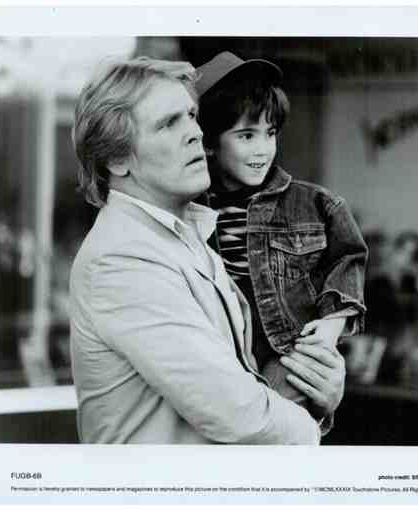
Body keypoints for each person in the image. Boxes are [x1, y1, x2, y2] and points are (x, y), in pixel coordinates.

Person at [69, 56, 345, 444]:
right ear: (116, 158)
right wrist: (309, 428)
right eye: (169, 123)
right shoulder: (122, 258)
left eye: (191, 116)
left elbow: (245, 392)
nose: (196, 133)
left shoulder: (185, 238)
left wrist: (316, 390)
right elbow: (238, 414)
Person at [195, 52, 368, 407]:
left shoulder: (316, 204)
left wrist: (332, 324)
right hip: (219, 363)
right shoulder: (190, 209)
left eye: (270, 133)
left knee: (272, 423)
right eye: (246, 136)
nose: (262, 150)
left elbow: (349, 259)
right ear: (209, 142)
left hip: (287, 357)